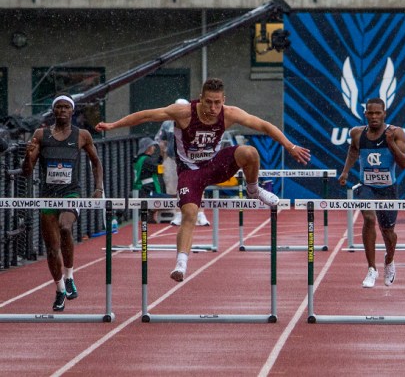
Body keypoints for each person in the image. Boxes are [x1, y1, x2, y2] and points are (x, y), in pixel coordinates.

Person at [97, 78, 311, 281]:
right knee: (189, 214)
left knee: (250, 152)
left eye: (217, 103)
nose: (212, 108)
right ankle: (181, 264)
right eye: (208, 102)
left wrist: (289, 146)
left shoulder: (229, 113)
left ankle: (253, 189)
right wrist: (113, 125)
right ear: (200, 99)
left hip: (215, 165)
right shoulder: (183, 112)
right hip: (190, 172)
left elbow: (263, 125)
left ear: (223, 100)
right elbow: (146, 116)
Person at [21, 95, 104, 312]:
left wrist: (98, 188)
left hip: (71, 193)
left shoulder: (82, 135)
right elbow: (27, 172)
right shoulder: (41, 135)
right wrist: (27, 157)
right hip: (48, 195)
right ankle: (59, 289)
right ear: (53, 111)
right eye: (58, 107)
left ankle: (69, 276)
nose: (62, 111)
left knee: (66, 228)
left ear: (72, 111)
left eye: (66, 107)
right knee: (51, 249)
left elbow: (96, 163)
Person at [337, 98, 405, 288]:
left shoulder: (395, 133)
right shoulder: (357, 133)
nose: (375, 116)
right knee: (369, 219)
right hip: (366, 186)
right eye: (371, 113)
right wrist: (345, 171)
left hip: (388, 188)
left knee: (388, 232)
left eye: (378, 113)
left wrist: (390, 144)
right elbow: (353, 150)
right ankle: (371, 268)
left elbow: (404, 162)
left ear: (384, 113)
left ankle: (389, 260)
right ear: (365, 114)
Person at [133, 138, 162, 223]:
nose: (154, 148)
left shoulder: (138, 159)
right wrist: (162, 156)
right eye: (152, 146)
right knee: (169, 199)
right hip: (145, 192)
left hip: (139, 190)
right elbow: (160, 170)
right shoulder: (147, 160)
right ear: (148, 148)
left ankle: (149, 212)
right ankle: (150, 211)